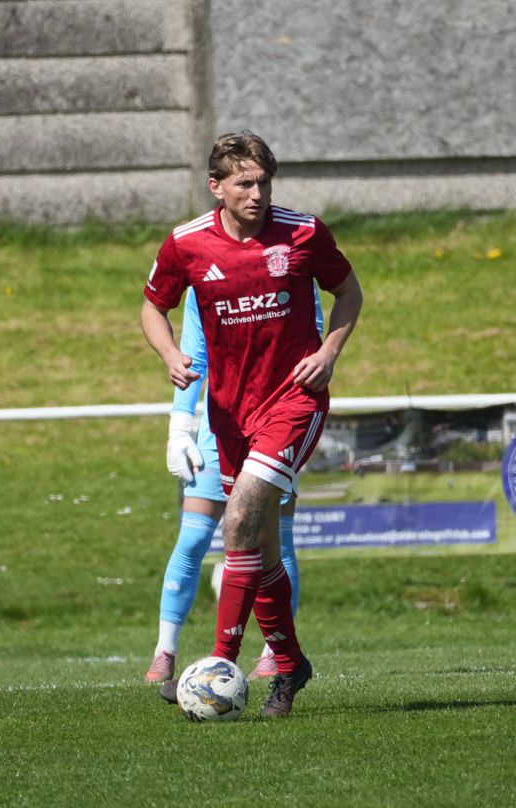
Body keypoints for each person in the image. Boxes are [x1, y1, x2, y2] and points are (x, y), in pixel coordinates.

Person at [140, 130, 363, 717]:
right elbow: (153, 306)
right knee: (259, 551)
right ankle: (290, 666)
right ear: (216, 187)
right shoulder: (187, 243)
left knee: (237, 521)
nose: (258, 194)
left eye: (264, 182)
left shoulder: (303, 233)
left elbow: (348, 292)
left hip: (293, 403)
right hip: (229, 415)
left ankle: (218, 666)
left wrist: (329, 353)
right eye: (245, 183)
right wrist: (170, 355)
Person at [144, 283, 321, 685]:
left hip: (277, 424)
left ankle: (275, 653)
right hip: (219, 427)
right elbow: (193, 352)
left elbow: (311, 341)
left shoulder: (292, 268)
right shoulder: (204, 275)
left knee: (276, 542)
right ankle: (165, 651)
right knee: (193, 538)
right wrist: (180, 426)